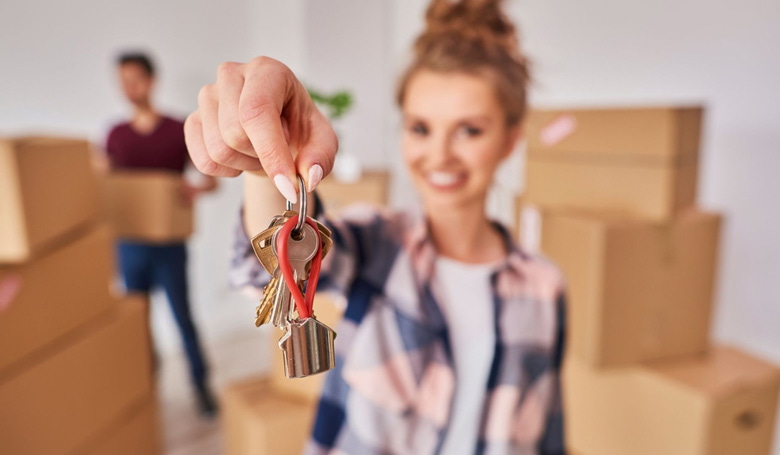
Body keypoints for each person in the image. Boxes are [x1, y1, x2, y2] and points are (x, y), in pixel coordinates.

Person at [186, 0, 566, 452]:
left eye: (469, 130)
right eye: (421, 128)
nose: (440, 155)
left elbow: (549, 432)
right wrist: (267, 162)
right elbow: (266, 269)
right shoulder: (375, 241)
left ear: (510, 139)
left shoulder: (546, 287)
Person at [106, 52, 218, 416]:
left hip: (170, 244)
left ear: (152, 81)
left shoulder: (177, 129)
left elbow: (211, 180)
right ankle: (143, 388)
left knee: (182, 317)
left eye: (135, 79)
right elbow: (106, 186)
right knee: (136, 321)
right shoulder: (116, 135)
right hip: (130, 246)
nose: (129, 87)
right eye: (122, 80)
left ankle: (201, 386)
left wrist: (193, 191)